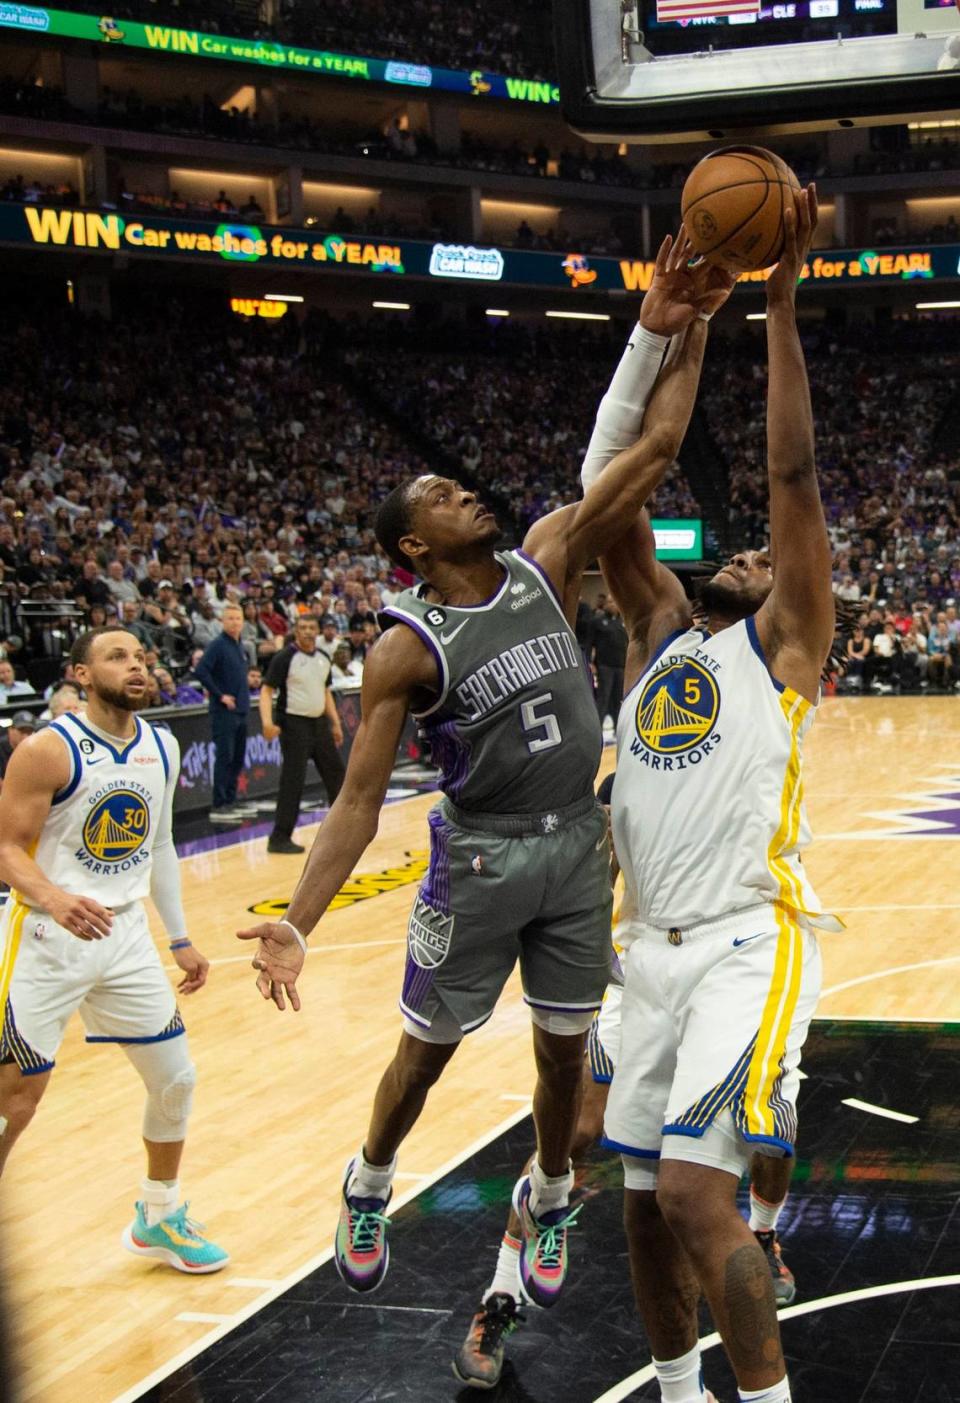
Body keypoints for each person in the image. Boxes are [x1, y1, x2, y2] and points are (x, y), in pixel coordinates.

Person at [237, 233, 732, 1313]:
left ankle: (551, 1187)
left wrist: (696, 320)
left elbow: (653, 450)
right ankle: (370, 1179)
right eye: (445, 496)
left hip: (572, 843)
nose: (468, 495)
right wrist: (299, 921)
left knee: (564, 1057)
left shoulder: (545, 555)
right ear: (414, 545)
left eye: (462, 486)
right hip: (480, 857)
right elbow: (357, 804)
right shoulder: (403, 647)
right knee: (427, 1053)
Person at [595, 189, 834, 1403]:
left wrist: (778, 307)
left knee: (697, 1192)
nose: (744, 551)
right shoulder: (657, 633)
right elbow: (607, 499)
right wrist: (661, 331)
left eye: (756, 551)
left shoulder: (785, 638)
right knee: (637, 1200)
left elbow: (789, 467)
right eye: (729, 551)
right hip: (647, 953)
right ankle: (678, 1393)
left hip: (749, 935)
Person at [455, 782, 798, 1389]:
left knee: (767, 1143)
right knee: (578, 1131)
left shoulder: (741, 781)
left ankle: (765, 1230)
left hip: (740, 966)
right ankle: (504, 1288)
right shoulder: (623, 800)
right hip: (637, 973)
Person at [0, 626, 226, 1271]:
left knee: (175, 1080)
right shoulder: (48, 750)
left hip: (124, 936)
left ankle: (159, 1216)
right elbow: (6, 847)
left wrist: (179, 938)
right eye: (117, 656)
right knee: (16, 1101)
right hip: (46, 937)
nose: (136, 666)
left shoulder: (162, 745)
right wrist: (53, 897)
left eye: (140, 657)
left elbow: (156, 848)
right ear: (80, 672)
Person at [260, 615, 345, 856]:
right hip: (293, 724)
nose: (307, 631)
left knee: (337, 775)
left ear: (318, 631)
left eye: (311, 627)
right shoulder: (285, 657)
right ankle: (279, 837)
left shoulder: (323, 658)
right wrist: (267, 722)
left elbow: (325, 691)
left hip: (319, 724)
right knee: (293, 781)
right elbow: (266, 691)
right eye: (303, 627)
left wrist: (335, 723)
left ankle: (342, 831)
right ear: (296, 631)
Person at [194, 602, 255, 822]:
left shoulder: (240, 646)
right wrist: (220, 695)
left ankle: (231, 800)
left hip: (241, 710)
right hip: (224, 712)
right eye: (230, 618)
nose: (234, 622)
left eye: (238, 619)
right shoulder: (218, 645)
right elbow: (201, 671)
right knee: (225, 757)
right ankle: (219, 804)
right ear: (222, 621)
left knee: (237, 758)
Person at [592, 597, 628, 730]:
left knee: (618, 698)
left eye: (615, 602)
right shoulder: (598, 621)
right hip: (604, 665)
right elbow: (590, 643)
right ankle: (597, 727)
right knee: (604, 697)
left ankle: (618, 727)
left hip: (620, 665)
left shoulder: (622, 622)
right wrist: (591, 663)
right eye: (610, 602)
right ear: (605, 605)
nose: (612, 605)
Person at [0, 711, 37, 791]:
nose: (25, 736)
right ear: (10, 730)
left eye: (29, 732)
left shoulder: (36, 749)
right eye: (22, 731)